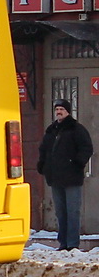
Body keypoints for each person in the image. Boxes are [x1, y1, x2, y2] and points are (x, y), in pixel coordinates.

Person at [37, 99, 93, 251]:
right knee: (60, 212)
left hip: (72, 178)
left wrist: (77, 163)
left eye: (62, 109)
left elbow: (86, 148)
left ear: (68, 111)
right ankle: (63, 243)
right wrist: (42, 165)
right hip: (55, 178)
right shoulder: (51, 130)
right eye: (57, 109)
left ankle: (73, 244)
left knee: (73, 211)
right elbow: (44, 150)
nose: (59, 112)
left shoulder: (76, 129)